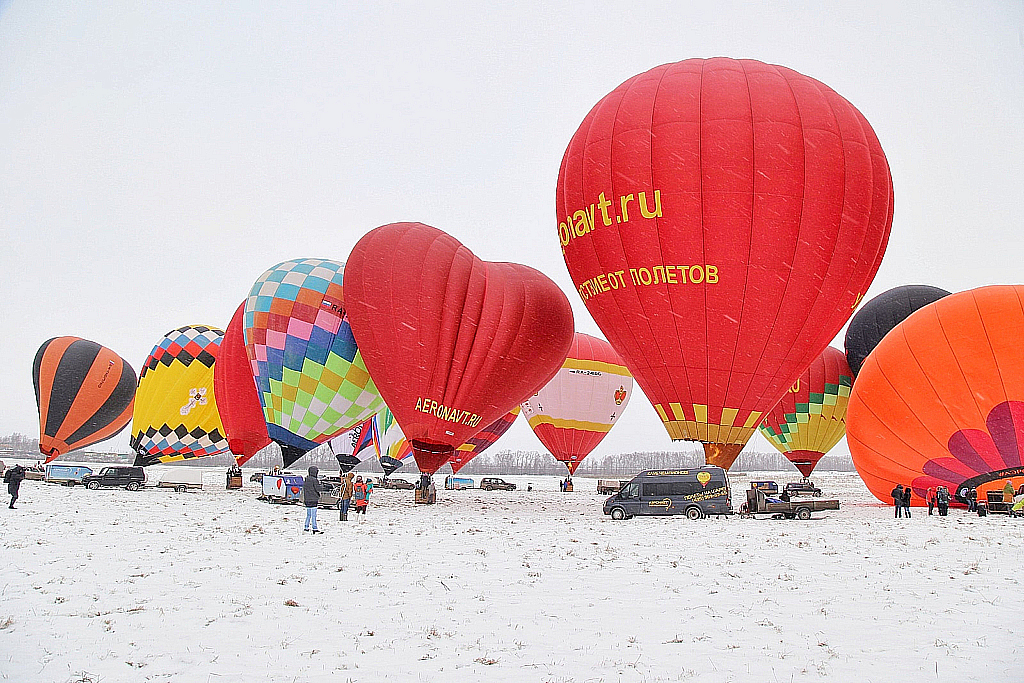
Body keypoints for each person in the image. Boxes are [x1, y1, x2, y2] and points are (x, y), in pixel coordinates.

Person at [302, 465, 323, 533]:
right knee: (314, 515)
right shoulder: (315, 480)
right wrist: (322, 486)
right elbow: (318, 489)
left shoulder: (306, 479)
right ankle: (314, 528)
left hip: (307, 499)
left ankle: (306, 527)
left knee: (308, 515)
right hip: (314, 499)